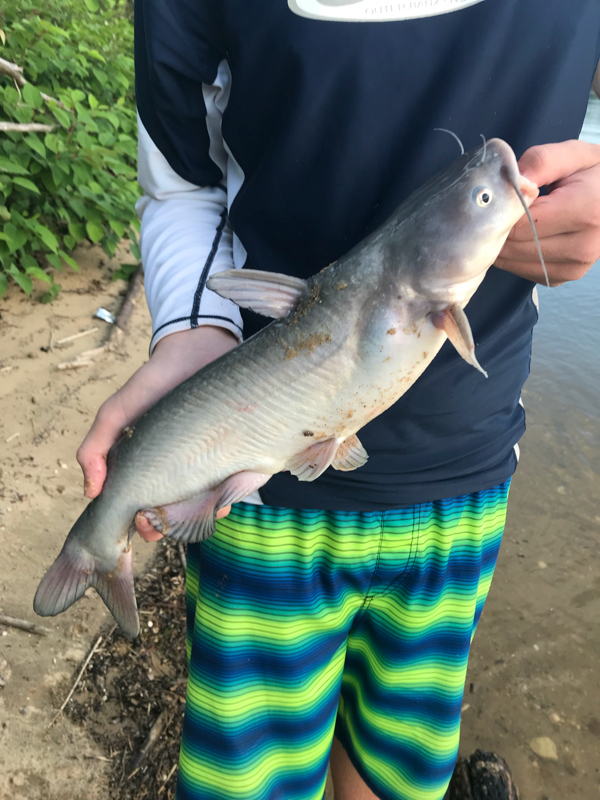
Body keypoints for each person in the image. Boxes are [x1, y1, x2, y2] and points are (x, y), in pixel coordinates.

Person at [78, 1, 600, 798]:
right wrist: (193, 325)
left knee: (400, 776)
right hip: (255, 496)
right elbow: (183, 179)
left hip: (468, 484)